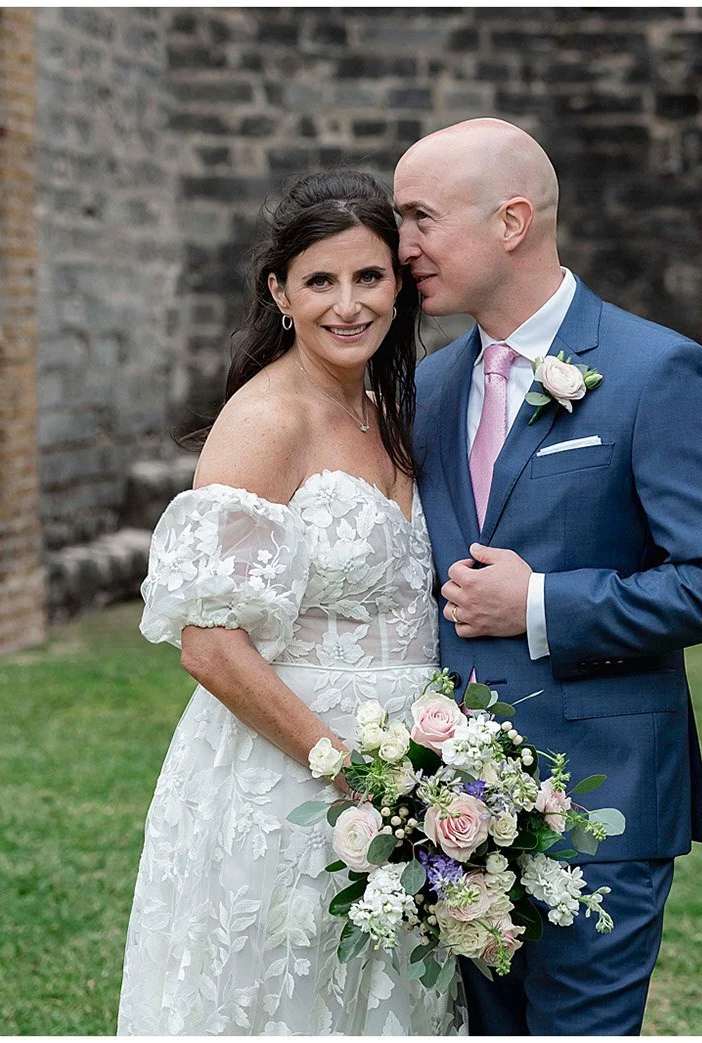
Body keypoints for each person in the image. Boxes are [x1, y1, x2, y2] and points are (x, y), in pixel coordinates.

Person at [396, 117, 702, 1035]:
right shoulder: (427, 387)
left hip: (602, 803)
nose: (400, 249)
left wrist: (540, 603)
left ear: (511, 221)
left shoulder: (654, 370)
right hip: (452, 815)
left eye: (420, 219)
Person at [117, 169, 463, 1035]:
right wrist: (349, 771)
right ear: (280, 291)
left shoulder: (388, 414)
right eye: (320, 281)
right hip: (289, 786)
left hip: (409, 786)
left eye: (369, 278)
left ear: (400, 285)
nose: (348, 305)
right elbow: (210, 644)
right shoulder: (264, 421)